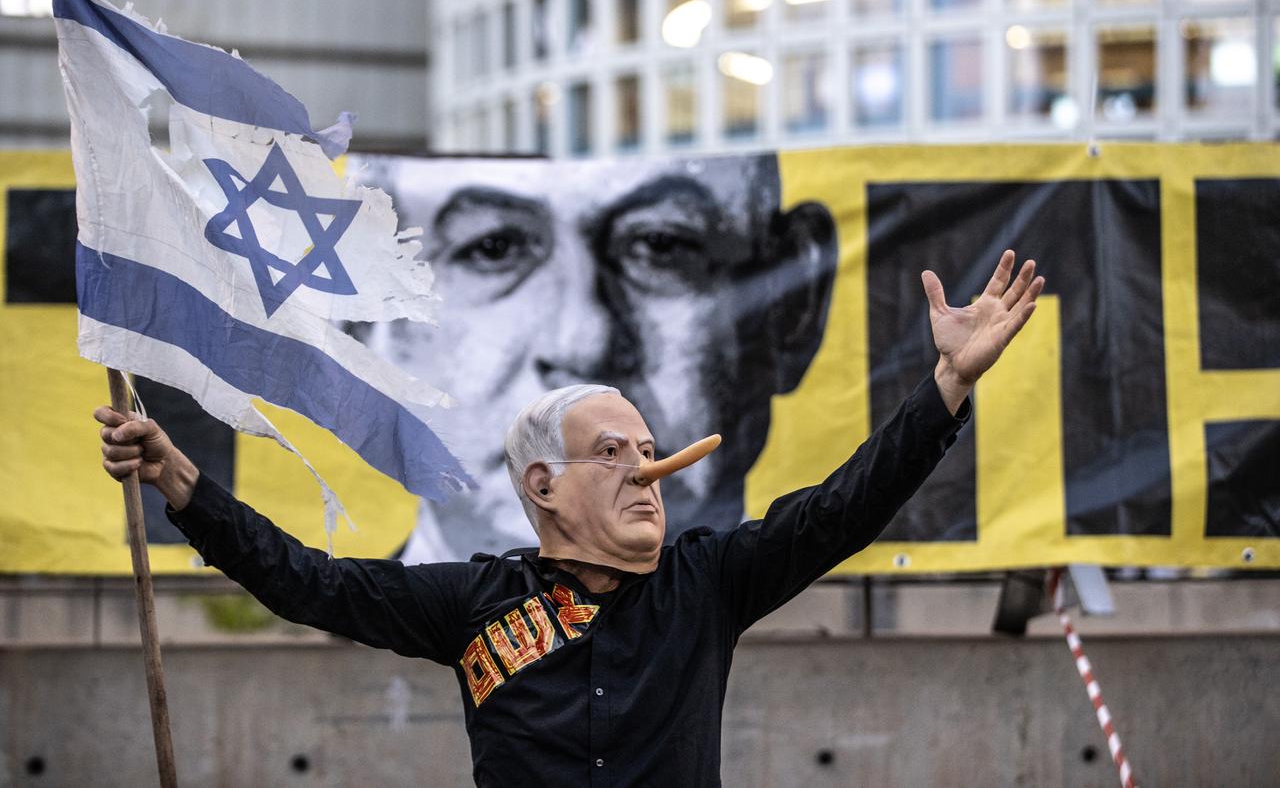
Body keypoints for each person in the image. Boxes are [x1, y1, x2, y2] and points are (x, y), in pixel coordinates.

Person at [96, 251, 1043, 787]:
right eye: (614, 452)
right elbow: (307, 579)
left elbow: (847, 506)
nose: (647, 468)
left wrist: (949, 383)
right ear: (542, 485)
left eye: (649, 449)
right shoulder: (473, 602)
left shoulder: (708, 582)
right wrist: (182, 480)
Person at [353, 153, 837, 561]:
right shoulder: (385, 615)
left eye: (660, 245)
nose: (584, 342)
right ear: (359, 318)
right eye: (492, 248)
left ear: (794, 306)